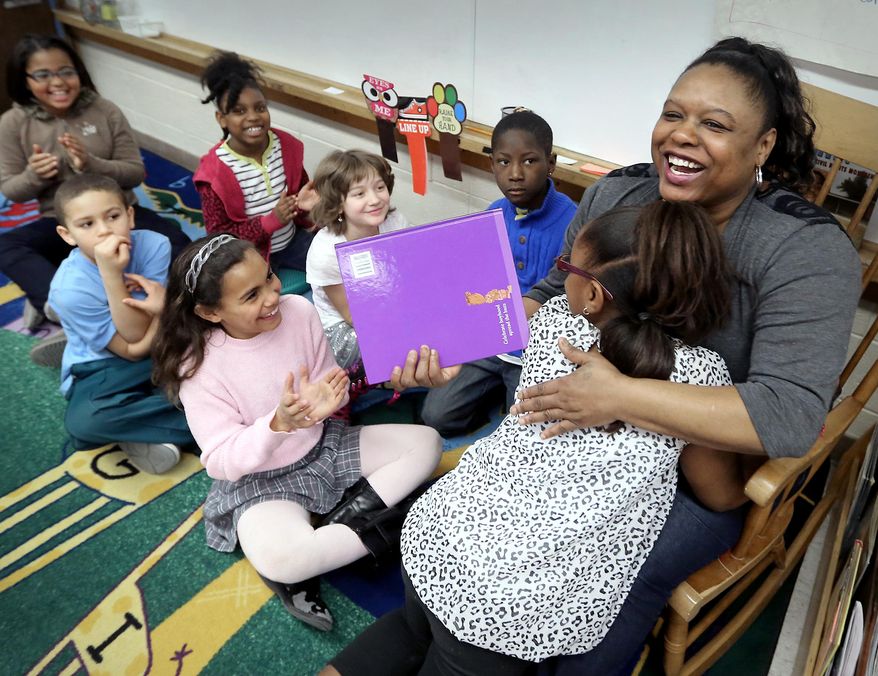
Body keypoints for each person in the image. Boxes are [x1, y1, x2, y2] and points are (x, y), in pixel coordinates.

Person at [388, 37, 862, 674]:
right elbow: (558, 293)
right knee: (490, 518)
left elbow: (786, 415)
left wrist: (621, 398)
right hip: (579, 427)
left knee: (605, 580)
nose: (681, 137)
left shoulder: (804, 251)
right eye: (673, 114)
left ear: (764, 147)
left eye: (714, 124)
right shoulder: (617, 194)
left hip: (694, 468)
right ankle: (453, 628)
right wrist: (462, 345)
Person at [324, 200, 737, 674]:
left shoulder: (554, 322)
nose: (562, 276)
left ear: (594, 296)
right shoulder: (704, 381)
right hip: (509, 599)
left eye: (566, 266)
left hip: (439, 531)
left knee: (409, 629)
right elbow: (720, 493)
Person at [151, 233, 441, 631]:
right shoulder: (197, 368)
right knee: (286, 561)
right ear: (210, 313)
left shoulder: (299, 311)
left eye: (269, 278)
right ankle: (384, 527)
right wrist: (278, 424)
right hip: (262, 481)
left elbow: (326, 383)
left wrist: (330, 401)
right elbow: (220, 462)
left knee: (427, 443)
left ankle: (342, 526)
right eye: (251, 296)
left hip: (324, 446)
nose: (272, 296)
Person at [0, 34, 191, 337]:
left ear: (79, 72)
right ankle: (61, 307)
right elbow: (11, 189)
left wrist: (91, 164)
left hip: (119, 215)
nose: (58, 82)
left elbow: (135, 173)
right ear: (25, 80)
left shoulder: (105, 110)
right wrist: (33, 175)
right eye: (42, 74)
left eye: (66, 71)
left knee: (178, 244)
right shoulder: (12, 123)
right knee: (8, 246)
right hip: (61, 222)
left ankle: (167, 303)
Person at [420, 110, 576, 437]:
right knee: (436, 417)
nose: (515, 174)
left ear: (552, 163)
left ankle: (506, 397)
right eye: (503, 162)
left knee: (525, 433)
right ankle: (489, 393)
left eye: (530, 161)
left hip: (538, 351)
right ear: (492, 165)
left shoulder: (573, 222)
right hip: (488, 341)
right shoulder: (492, 214)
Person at [47, 173, 193, 474]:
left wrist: (164, 313)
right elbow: (132, 347)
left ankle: (149, 427)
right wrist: (114, 276)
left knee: (212, 343)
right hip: (104, 362)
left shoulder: (154, 244)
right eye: (87, 224)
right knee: (86, 422)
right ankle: (207, 419)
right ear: (67, 235)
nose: (103, 231)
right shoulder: (68, 290)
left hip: (157, 341)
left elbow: (143, 336)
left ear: (129, 215)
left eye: (112, 216)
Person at [194, 51, 316, 272]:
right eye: (239, 111)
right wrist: (271, 221)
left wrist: (304, 206)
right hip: (248, 256)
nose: (253, 117)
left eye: (260, 108)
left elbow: (299, 194)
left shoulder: (286, 146)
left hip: (293, 242)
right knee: (249, 300)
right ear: (222, 119)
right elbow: (219, 237)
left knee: (338, 265)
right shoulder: (213, 173)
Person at [305, 149, 410, 371]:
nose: (374, 200)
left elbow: (408, 273)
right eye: (359, 194)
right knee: (409, 341)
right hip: (346, 328)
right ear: (338, 202)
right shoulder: (326, 252)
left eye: (379, 188)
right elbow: (353, 316)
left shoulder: (394, 222)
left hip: (389, 305)